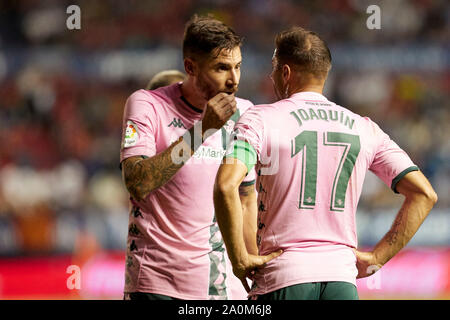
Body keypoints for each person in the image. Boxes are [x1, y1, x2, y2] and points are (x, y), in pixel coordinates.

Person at [213, 27, 438, 300]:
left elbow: (226, 185)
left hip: (283, 276)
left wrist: (238, 259)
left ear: (285, 73)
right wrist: (377, 257)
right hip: (341, 279)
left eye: (273, 69)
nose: (270, 76)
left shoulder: (259, 119)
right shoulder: (364, 127)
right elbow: (424, 194)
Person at [120, 15, 259, 300]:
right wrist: (202, 131)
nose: (234, 80)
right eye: (222, 68)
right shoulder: (148, 105)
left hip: (223, 289)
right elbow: (137, 182)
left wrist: (255, 270)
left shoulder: (246, 113)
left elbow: (246, 199)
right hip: (157, 284)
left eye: (238, 67)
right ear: (190, 67)